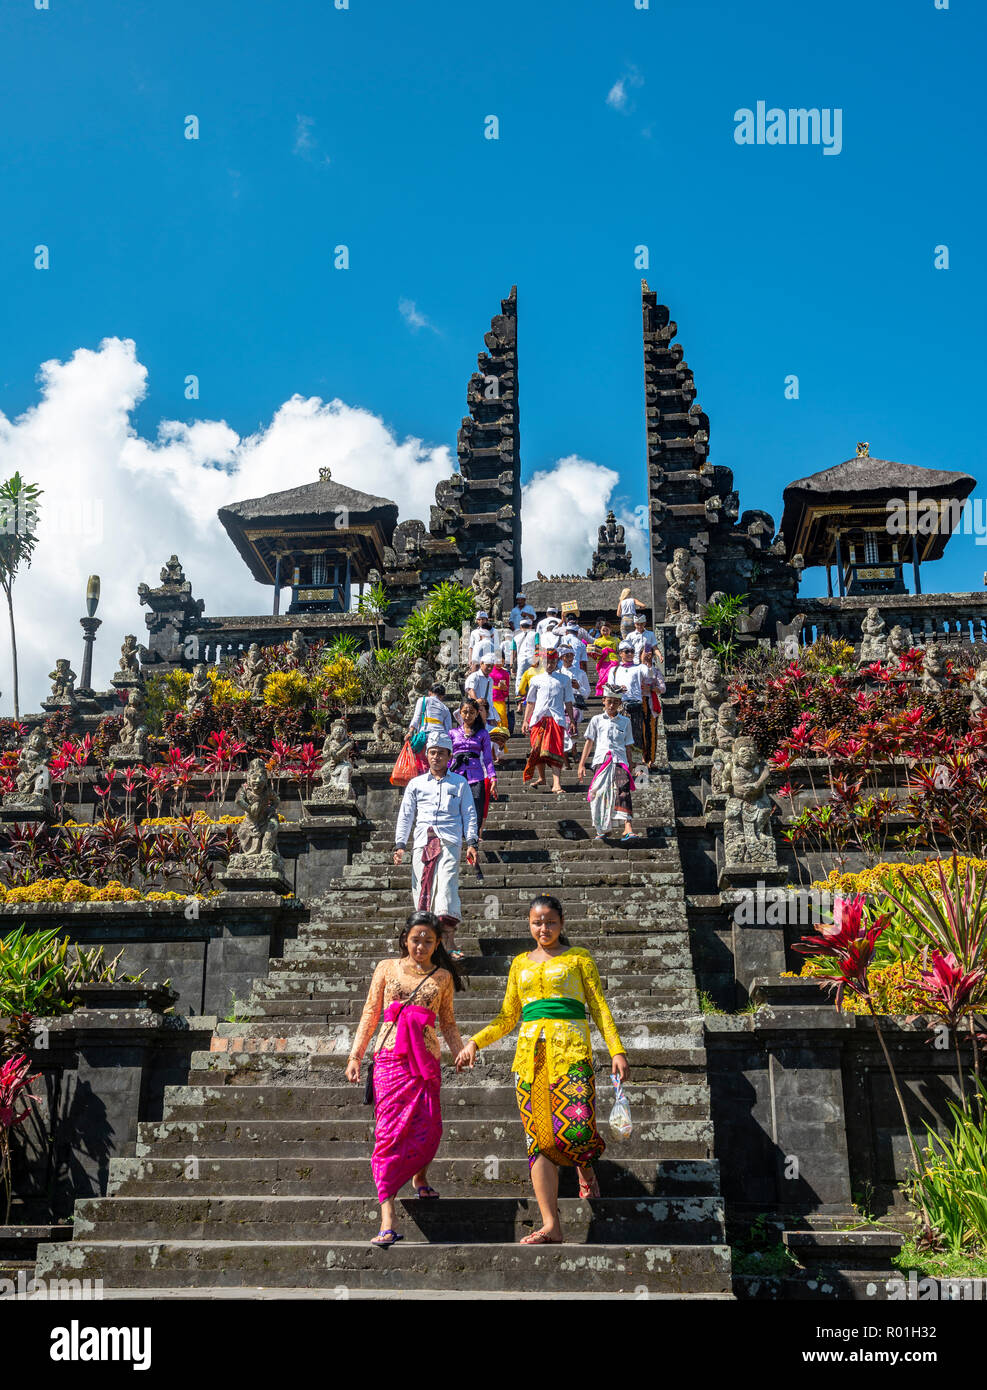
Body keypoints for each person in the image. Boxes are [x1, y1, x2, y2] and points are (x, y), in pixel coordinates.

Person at [456, 895, 629, 1245]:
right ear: (529, 925)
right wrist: (474, 1041)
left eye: (550, 921)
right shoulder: (520, 964)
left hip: (572, 1054)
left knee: (577, 1130)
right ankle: (552, 1224)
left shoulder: (579, 958)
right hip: (530, 1061)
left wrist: (617, 1049)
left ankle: (586, 1168)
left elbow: (598, 1007)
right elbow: (508, 1017)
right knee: (539, 1140)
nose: (543, 928)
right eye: (537, 922)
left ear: (561, 922)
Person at [346, 912, 466, 1246]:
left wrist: (459, 1051)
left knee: (429, 1127)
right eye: (416, 939)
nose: (421, 946)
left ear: (438, 943)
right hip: (389, 1059)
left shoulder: (442, 977)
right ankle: (387, 1218)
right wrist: (355, 1055)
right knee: (388, 1134)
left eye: (429, 940)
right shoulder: (387, 968)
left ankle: (420, 1177)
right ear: (405, 939)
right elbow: (371, 1012)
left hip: (425, 1060)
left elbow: (448, 1022)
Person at [393, 732, 478, 960]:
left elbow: (469, 813)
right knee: (422, 892)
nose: (436, 757)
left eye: (441, 753)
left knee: (447, 887)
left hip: (449, 841)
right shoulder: (416, 784)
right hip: (422, 842)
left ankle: (449, 943)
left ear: (449, 756)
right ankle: (426, 946)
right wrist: (400, 844)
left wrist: (472, 842)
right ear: (427, 755)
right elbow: (406, 815)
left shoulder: (459, 783)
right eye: (433, 752)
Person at [578, 685, 640, 842]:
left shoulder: (625, 722)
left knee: (623, 791)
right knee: (599, 793)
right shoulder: (596, 720)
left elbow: (627, 745)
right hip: (601, 761)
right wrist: (581, 764)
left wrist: (631, 764)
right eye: (609, 702)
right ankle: (603, 828)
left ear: (619, 703)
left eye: (615, 702)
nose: (612, 705)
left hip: (620, 761)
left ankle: (628, 828)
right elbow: (589, 742)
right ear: (603, 701)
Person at [521, 645, 573, 794]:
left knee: (555, 750)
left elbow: (568, 700)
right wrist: (525, 720)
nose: (549, 665)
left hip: (556, 720)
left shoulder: (564, 679)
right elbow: (531, 701)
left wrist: (573, 721)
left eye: (552, 662)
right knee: (537, 749)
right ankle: (542, 778)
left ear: (557, 661)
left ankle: (556, 783)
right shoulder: (536, 680)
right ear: (542, 662)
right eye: (547, 661)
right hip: (538, 719)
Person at [450, 698, 497, 842]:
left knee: (476, 804)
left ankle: (473, 835)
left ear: (477, 714)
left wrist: (493, 777)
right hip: (455, 772)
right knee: (454, 803)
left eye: (471, 712)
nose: (468, 715)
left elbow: (488, 758)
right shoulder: (452, 733)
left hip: (476, 774)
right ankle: (456, 833)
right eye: (465, 712)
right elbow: (447, 755)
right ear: (460, 713)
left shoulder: (483, 734)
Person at [610, 642, 648, 754]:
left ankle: (636, 766)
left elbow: (650, 675)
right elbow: (609, 688)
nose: (630, 654)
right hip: (620, 706)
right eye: (627, 651)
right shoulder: (614, 670)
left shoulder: (640, 667)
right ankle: (621, 764)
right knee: (619, 736)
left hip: (636, 706)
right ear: (620, 653)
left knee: (636, 737)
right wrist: (618, 689)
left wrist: (646, 661)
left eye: (632, 651)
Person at [407, 682, 453, 772]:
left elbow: (417, 717)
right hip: (441, 738)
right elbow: (448, 729)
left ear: (430, 692)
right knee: (437, 764)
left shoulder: (423, 700)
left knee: (423, 763)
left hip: (426, 736)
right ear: (442, 696)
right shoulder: (445, 708)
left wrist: (410, 732)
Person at [639, 646, 666, 770]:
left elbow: (662, 688)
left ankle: (651, 759)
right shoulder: (635, 670)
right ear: (640, 655)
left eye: (650, 652)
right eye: (645, 652)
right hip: (638, 704)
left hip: (650, 703)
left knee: (652, 732)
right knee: (639, 732)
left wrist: (650, 688)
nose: (648, 654)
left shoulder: (655, 671)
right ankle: (641, 759)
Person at [512, 615, 539, 695]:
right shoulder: (535, 634)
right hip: (532, 658)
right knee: (534, 678)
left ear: (520, 627)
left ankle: (519, 701)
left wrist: (512, 666)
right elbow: (537, 646)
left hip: (521, 660)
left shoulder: (515, 637)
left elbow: (513, 653)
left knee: (519, 679)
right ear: (531, 626)